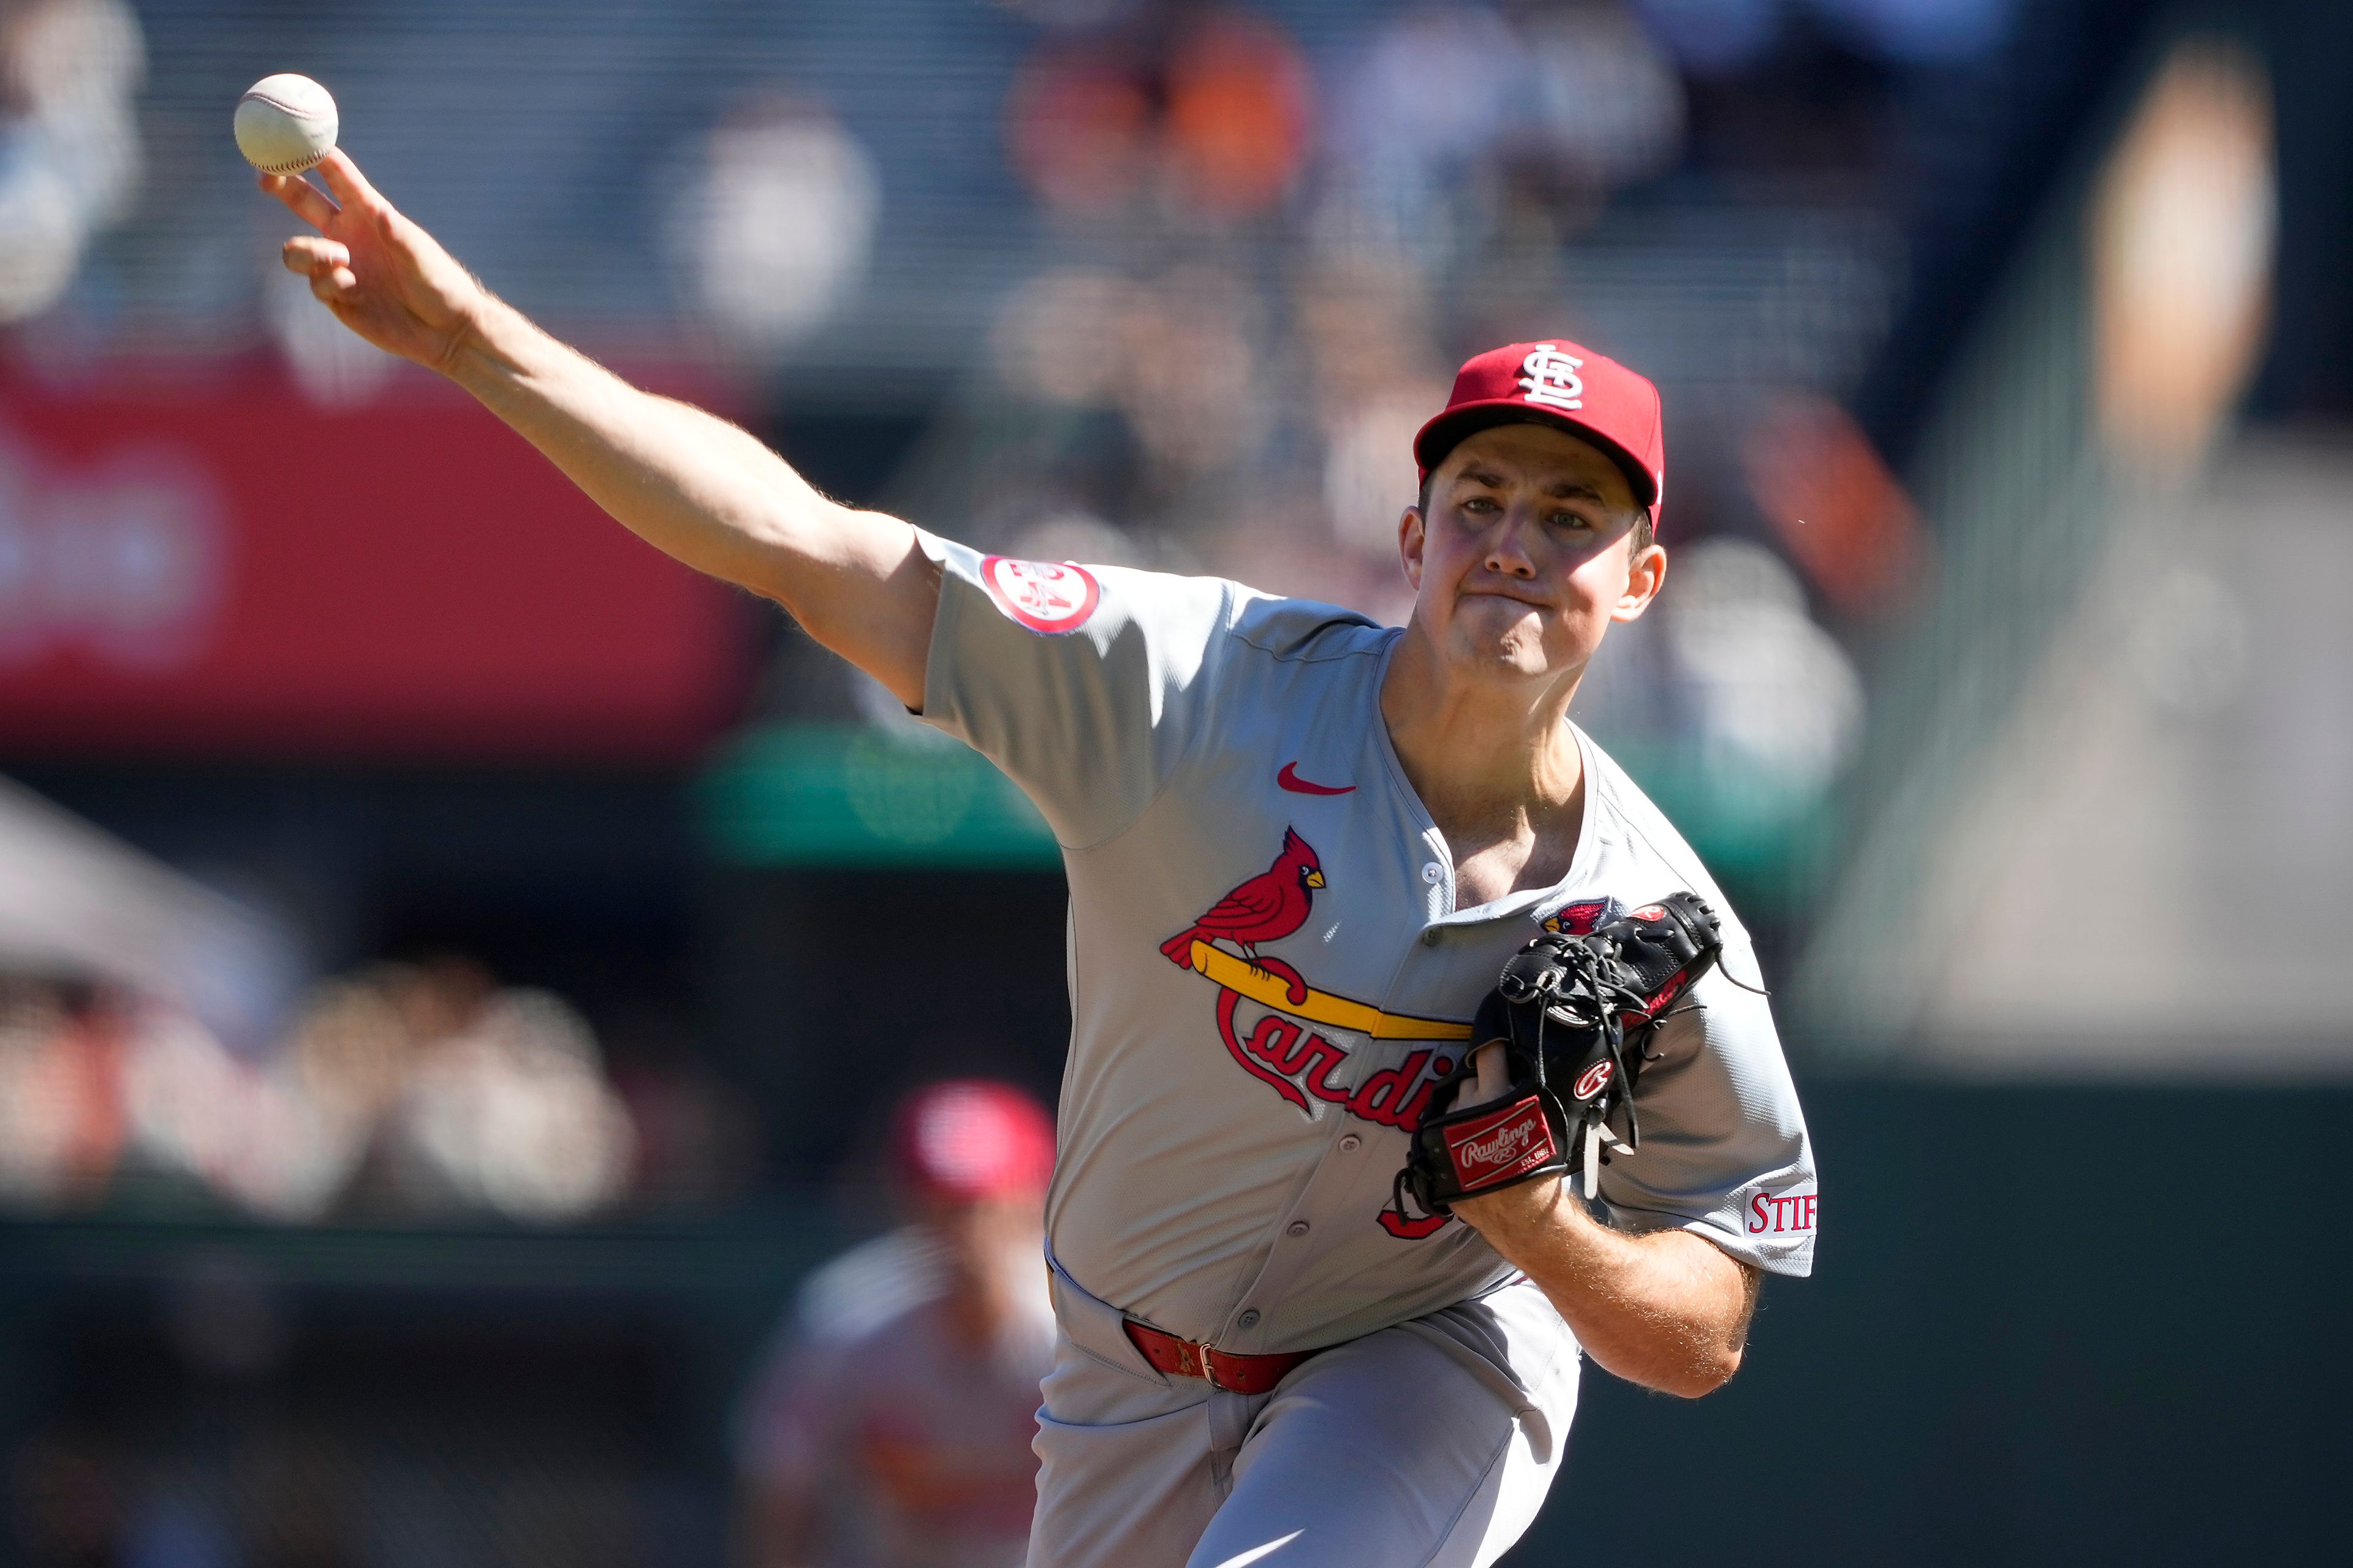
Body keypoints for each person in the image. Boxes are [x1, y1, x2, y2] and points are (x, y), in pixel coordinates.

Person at [265, 152, 1817, 1567]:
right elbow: (805, 547)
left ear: (1641, 579)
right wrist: (473, 340)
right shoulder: (1191, 684)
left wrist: (1537, 1217)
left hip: (1429, 1346)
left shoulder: (1660, 914)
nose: (1515, 542)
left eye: (1570, 514)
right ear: (1408, 536)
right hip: (1122, 1364)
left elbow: (1702, 1335)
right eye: (1478, 497)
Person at [737, 1080, 1056, 1568]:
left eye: (981, 1204)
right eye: (938, 1201)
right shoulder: (846, 1319)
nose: (963, 1232)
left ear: (1033, 1200)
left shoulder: (1075, 1328)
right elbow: (781, 1489)